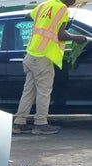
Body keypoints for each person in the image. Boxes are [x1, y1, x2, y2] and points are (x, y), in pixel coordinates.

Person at [12, 0, 89, 135]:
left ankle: (19, 123)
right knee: (43, 92)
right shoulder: (62, 9)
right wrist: (77, 37)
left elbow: (28, 16)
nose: (74, 1)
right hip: (44, 57)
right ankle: (40, 124)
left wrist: (44, 21)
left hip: (31, 54)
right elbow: (61, 35)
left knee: (28, 91)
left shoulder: (44, 5)